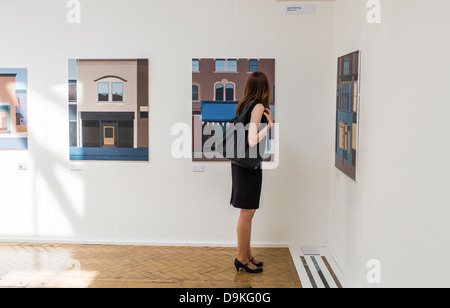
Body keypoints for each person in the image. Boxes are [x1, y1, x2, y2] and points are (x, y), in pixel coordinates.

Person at [231, 71, 274, 274]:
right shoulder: (257, 106)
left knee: (248, 212)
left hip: (242, 164)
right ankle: (241, 257)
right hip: (249, 166)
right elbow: (251, 139)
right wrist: (270, 126)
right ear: (264, 88)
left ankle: (247, 255)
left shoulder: (243, 105)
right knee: (247, 212)